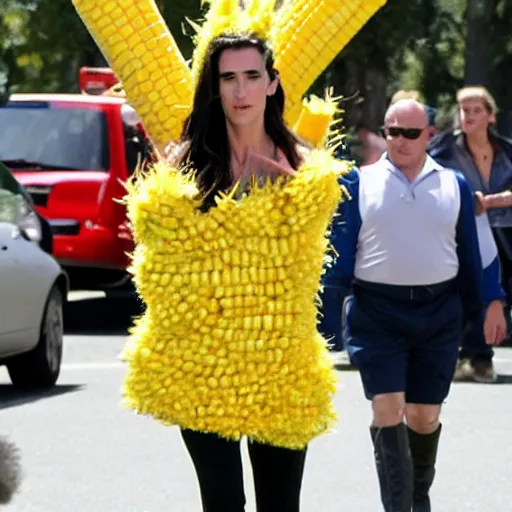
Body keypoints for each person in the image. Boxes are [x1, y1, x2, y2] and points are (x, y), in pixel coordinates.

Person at [120, 29, 348, 512]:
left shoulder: (302, 167)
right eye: (228, 79)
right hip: (205, 368)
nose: (240, 91)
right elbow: (157, 260)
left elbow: (308, 264)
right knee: (222, 501)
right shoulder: (184, 166)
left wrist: (296, 196)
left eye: (251, 76)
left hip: (281, 366)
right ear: (214, 86)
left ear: (272, 82)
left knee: (280, 503)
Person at [327, 98, 505, 511]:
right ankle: (399, 507)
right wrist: (326, 321)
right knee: (387, 408)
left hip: (437, 312)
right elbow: (338, 252)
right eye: (392, 132)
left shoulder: (454, 185)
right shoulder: (358, 183)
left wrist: (491, 302)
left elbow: (476, 251)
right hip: (377, 312)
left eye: (410, 133)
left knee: (424, 416)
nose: (401, 141)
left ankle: (416, 497)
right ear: (384, 133)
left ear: (430, 136)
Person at [429, 85, 512, 382]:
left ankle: (479, 354)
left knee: (499, 294)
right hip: (462, 230)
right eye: (465, 110)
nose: (470, 116)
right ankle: (473, 357)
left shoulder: (507, 150)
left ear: (491, 116)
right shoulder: (441, 150)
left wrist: (492, 202)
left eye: (477, 110)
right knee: (466, 290)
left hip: (505, 230)